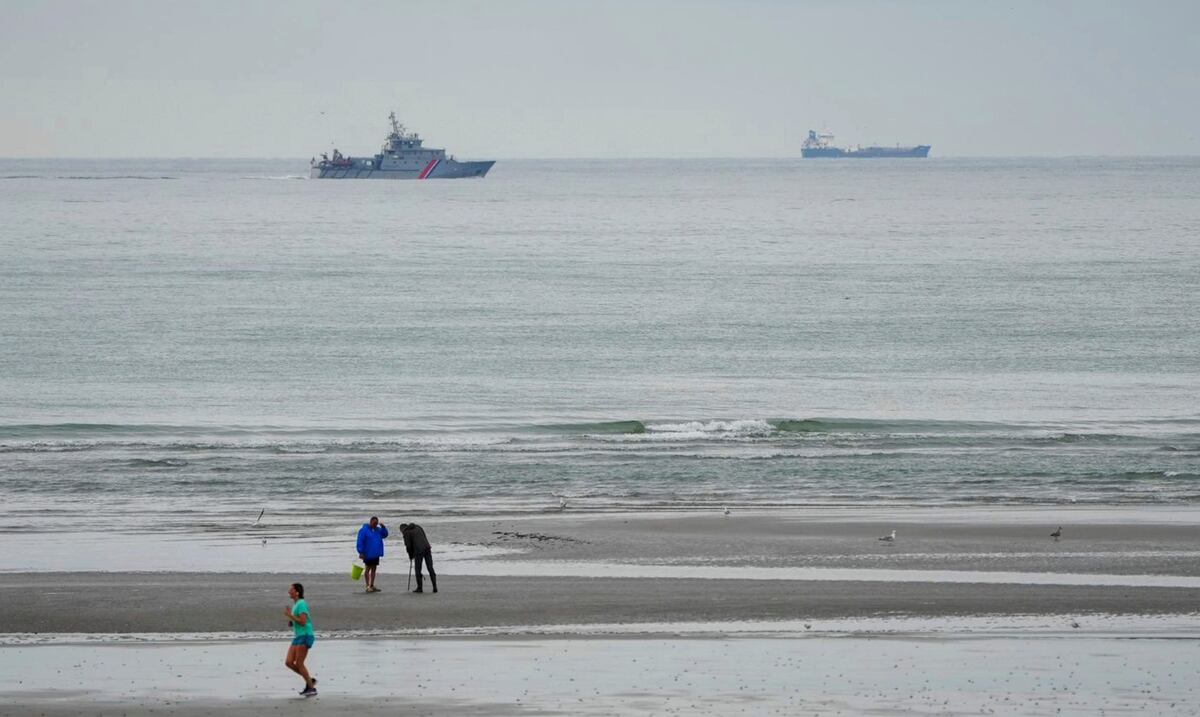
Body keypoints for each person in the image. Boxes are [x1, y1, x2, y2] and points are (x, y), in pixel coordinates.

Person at [284, 582, 317, 697]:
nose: (289, 591)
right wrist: (291, 621)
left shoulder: (302, 603)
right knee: (288, 662)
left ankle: (311, 688)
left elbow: (303, 622)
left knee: (299, 663)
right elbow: (296, 621)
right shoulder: (295, 605)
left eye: (291, 589)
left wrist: (290, 616)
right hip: (298, 636)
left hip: (305, 635)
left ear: (297, 592)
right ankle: (309, 680)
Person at [400, 522, 437, 593]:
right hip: (427, 548)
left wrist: (410, 556)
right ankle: (435, 587)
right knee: (430, 567)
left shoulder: (406, 532)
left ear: (402, 529)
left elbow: (408, 546)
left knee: (418, 569)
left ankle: (420, 588)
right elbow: (424, 537)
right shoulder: (418, 527)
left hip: (418, 551)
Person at [356, 516, 388, 593]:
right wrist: (361, 552)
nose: (375, 525)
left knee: (374, 569)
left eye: (376, 523)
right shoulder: (364, 530)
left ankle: (372, 585)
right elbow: (360, 541)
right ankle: (367, 586)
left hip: (376, 553)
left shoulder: (378, 530)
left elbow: (385, 535)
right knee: (367, 569)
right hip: (367, 553)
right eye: (374, 523)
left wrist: (383, 527)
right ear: (370, 522)